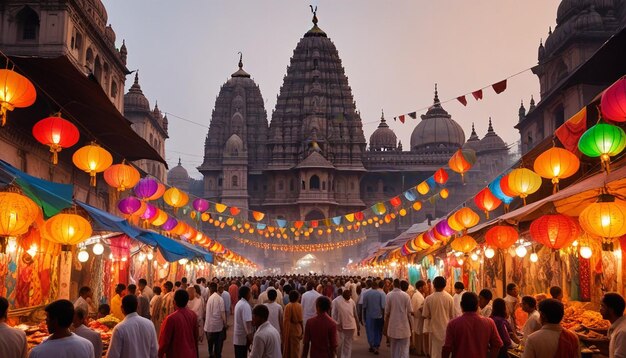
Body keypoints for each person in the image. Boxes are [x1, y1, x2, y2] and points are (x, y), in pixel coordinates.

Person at [442, 292, 503, 358]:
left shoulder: (453, 324)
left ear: (461, 305)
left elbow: (447, 348)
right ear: (477, 304)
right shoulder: (489, 322)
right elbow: (497, 344)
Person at [30, 299, 94, 358]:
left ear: (55, 321)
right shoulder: (87, 346)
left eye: (48, 318)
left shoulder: (38, 352)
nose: (46, 321)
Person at [158, 289, 198, 358]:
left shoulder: (171, 319)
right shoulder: (193, 315)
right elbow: (195, 337)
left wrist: (159, 355)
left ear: (174, 302)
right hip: (191, 354)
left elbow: (164, 342)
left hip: (176, 354)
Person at [422, 276, 455, 358]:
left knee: (435, 353)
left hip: (433, 330)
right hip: (446, 330)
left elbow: (425, 315)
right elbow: (452, 316)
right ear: (445, 285)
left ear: (433, 285)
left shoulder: (429, 298)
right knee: (446, 352)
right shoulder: (450, 298)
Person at [332, 287, 360, 358]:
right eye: (347, 296)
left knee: (348, 343)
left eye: (349, 296)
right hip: (340, 326)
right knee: (339, 343)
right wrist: (336, 324)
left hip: (350, 326)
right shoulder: (336, 301)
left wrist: (357, 324)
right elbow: (333, 315)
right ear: (343, 295)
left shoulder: (352, 301)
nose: (349, 297)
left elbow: (355, 314)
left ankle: (346, 356)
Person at [363, 279, 386, 354]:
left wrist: (362, 317)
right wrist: (383, 317)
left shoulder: (366, 294)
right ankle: (376, 346)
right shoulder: (380, 294)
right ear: (376, 287)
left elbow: (364, 306)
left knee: (370, 331)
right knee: (377, 331)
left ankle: (371, 345)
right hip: (378, 316)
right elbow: (383, 306)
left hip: (369, 316)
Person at [600, 292, 626, 358]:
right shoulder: (618, 327)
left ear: (611, 310)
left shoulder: (622, 332)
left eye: (603, 306)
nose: (600, 309)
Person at [205, 282, 227, 358]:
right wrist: (225, 323)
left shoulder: (209, 299)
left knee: (210, 345)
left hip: (209, 327)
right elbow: (222, 313)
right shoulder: (220, 299)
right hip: (218, 327)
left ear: (210, 289)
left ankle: (211, 355)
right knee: (218, 347)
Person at [233, 285, 253, 358]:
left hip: (238, 337)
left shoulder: (240, 303)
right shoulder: (245, 305)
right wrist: (250, 338)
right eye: (250, 293)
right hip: (242, 338)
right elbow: (247, 323)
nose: (251, 295)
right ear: (246, 294)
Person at [283, 290, 303, 358]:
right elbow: (301, 321)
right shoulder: (299, 306)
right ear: (297, 297)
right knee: (295, 350)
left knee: (288, 348)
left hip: (288, 329)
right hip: (297, 329)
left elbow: (285, 320)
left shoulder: (287, 306)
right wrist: (302, 331)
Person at [411, 280, 426, 356]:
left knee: (418, 334)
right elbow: (419, 308)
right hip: (418, 318)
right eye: (424, 286)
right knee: (418, 334)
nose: (426, 287)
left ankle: (419, 350)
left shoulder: (418, 295)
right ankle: (418, 351)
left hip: (418, 318)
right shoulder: (417, 295)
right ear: (420, 287)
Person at [187, 285, 205, 350]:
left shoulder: (199, 300)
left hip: (194, 325)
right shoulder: (198, 300)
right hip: (192, 326)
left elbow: (201, 313)